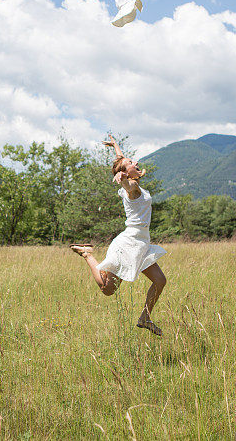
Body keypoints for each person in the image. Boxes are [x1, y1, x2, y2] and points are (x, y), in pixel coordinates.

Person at [70, 135, 167, 336]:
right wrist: (123, 181)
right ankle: (88, 254)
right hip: (129, 244)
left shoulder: (132, 180)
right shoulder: (133, 189)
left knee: (160, 281)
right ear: (126, 173)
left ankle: (145, 317)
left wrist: (115, 146)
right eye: (132, 163)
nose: (136, 162)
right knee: (107, 289)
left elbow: (122, 163)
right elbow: (129, 185)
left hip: (142, 244)